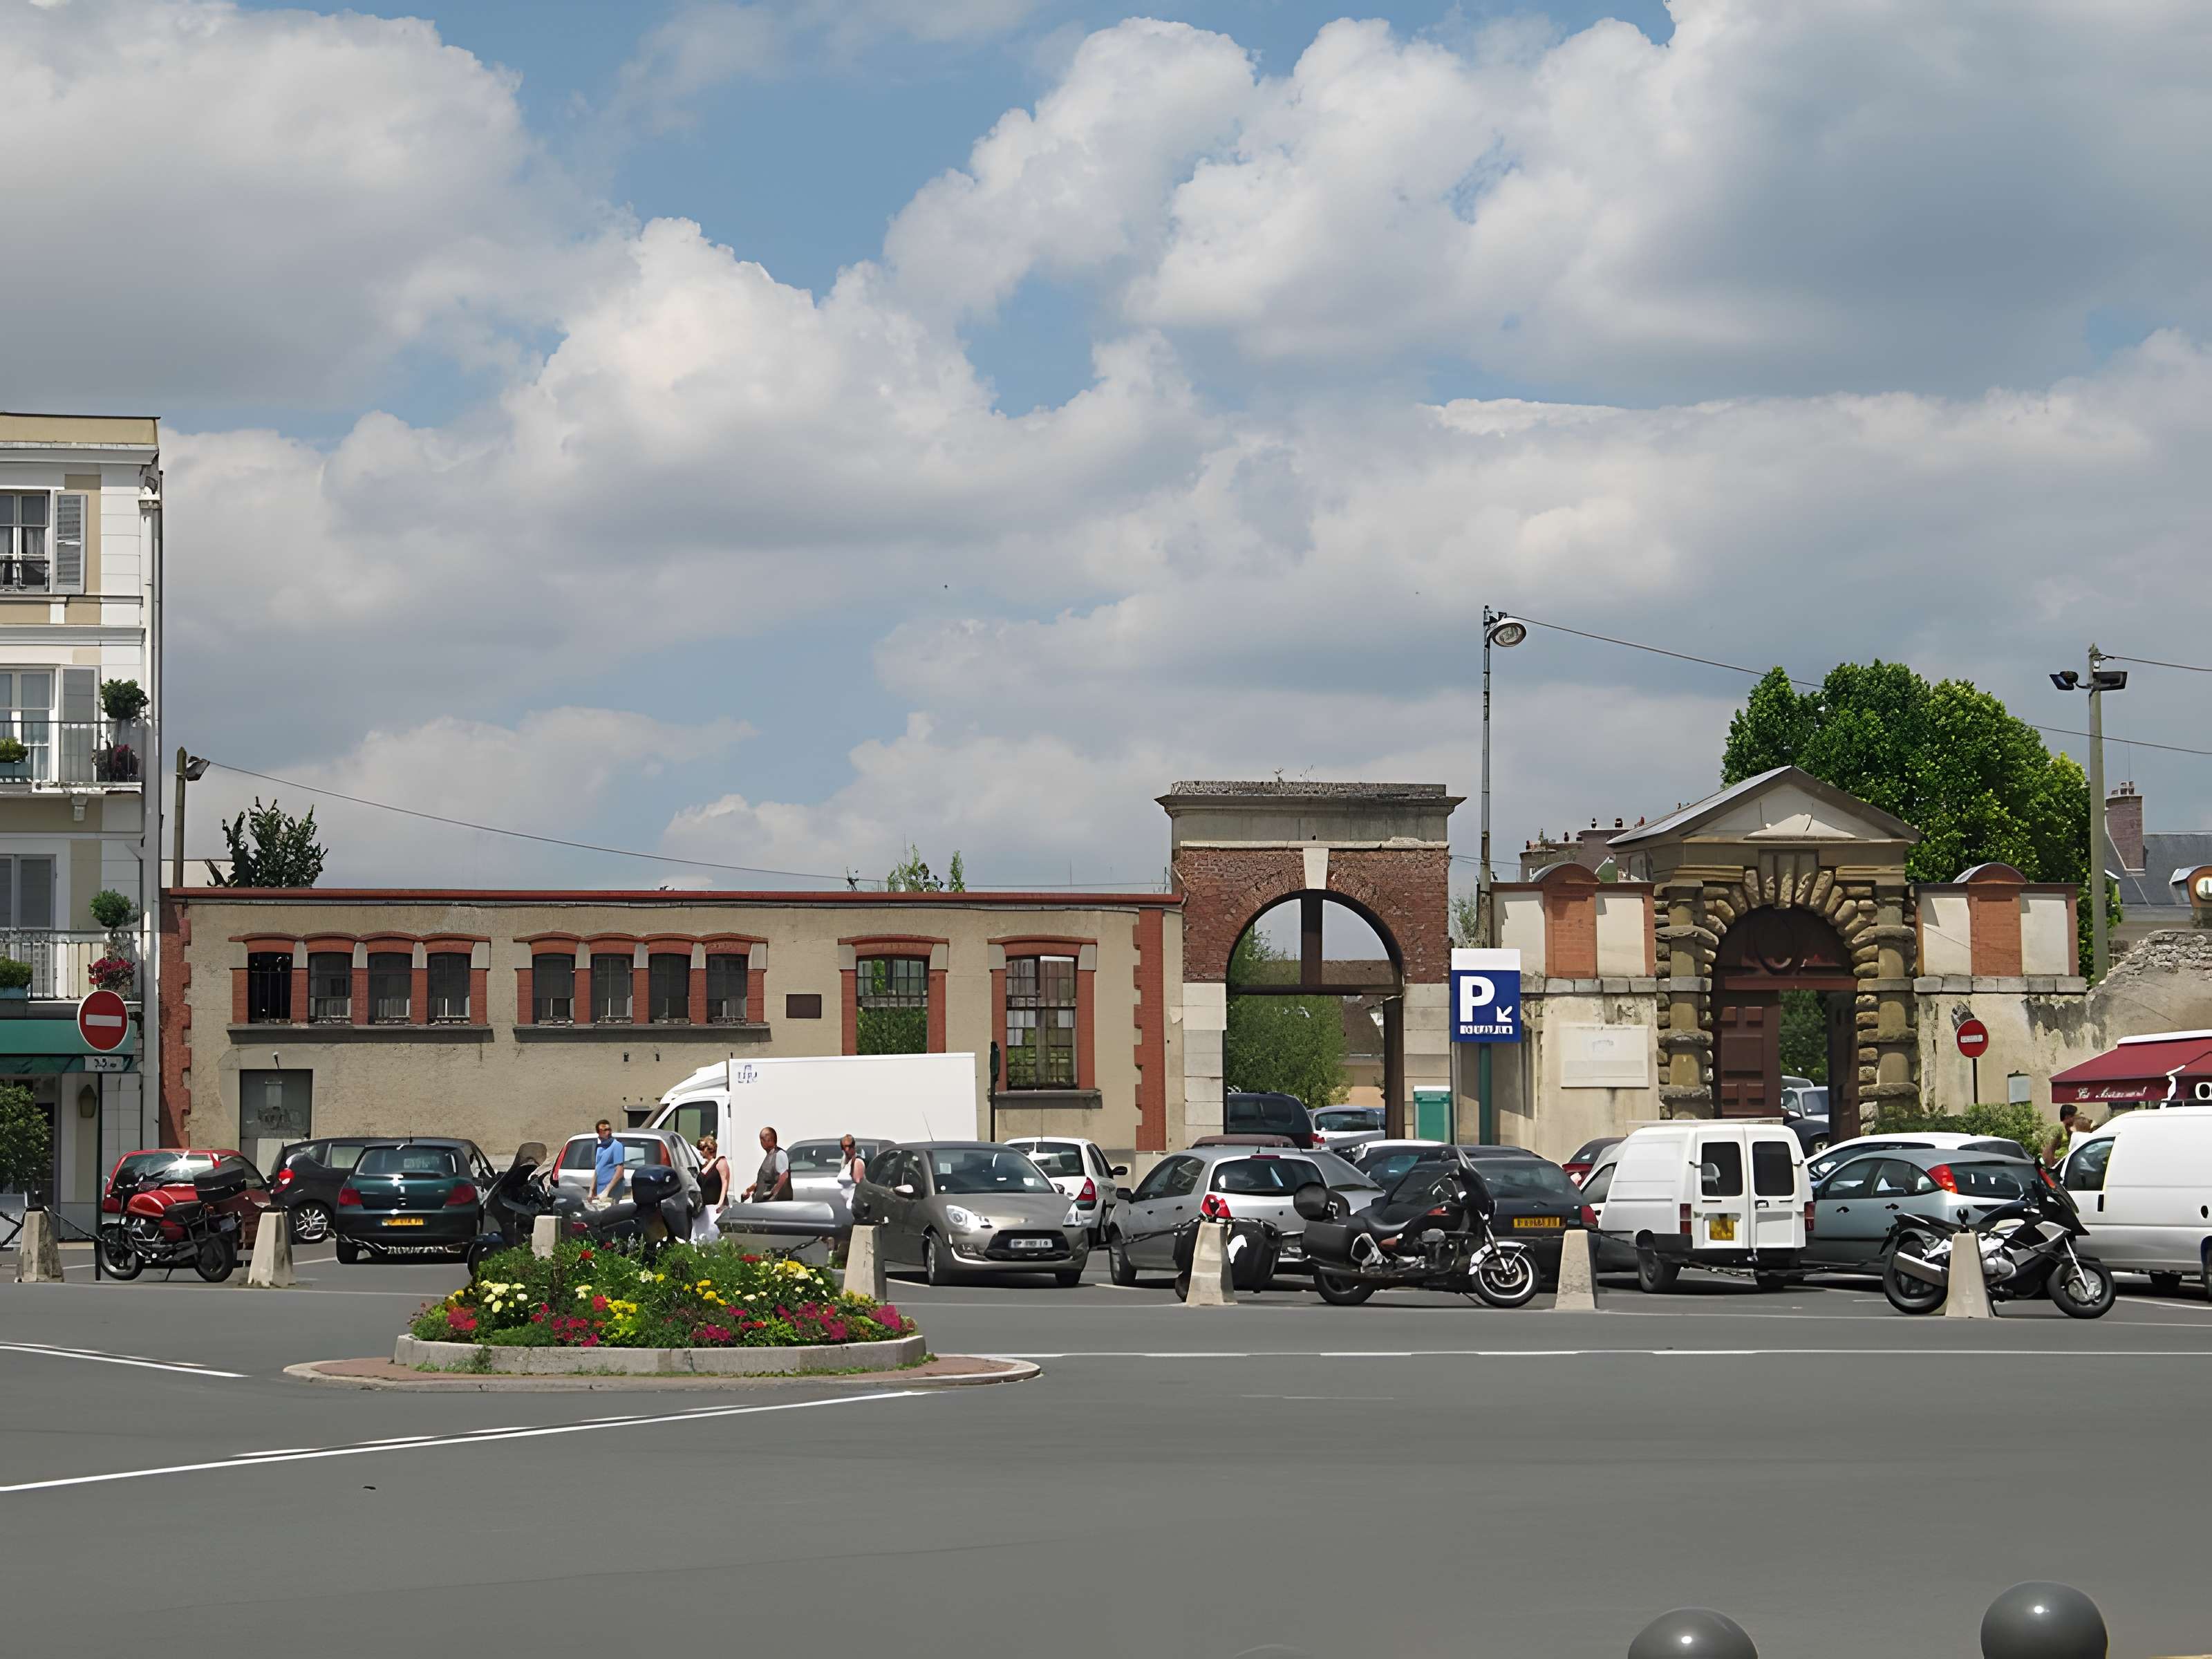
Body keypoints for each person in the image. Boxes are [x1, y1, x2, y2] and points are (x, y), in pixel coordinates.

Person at [693, 1133, 733, 1244]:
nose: (700, 1151)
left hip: (715, 1207)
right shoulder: (705, 1164)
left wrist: (720, 1203)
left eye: (701, 1148)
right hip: (705, 1209)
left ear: (708, 1149)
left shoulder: (721, 1162)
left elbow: (725, 1182)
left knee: (714, 1237)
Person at [742, 1126, 791, 1203]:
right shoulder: (770, 1156)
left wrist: (773, 1193)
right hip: (763, 1204)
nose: (761, 1142)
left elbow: (784, 1175)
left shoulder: (780, 1154)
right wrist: (749, 1190)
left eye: (762, 1139)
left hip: (772, 1205)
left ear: (769, 1140)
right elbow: (764, 1180)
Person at [589, 1118, 626, 1206]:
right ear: (599, 1133)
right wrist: (591, 1191)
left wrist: (607, 1191)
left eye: (609, 1129)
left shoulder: (617, 1146)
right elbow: (597, 1170)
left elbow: (620, 1172)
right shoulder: (600, 1148)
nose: (608, 1132)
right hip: (601, 1192)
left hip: (612, 1193)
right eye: (605, 1130)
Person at [2043, 1104, 2084, 1171]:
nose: (2077, 1119)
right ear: (2067, 1117)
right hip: (2057, 1168)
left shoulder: (2069, 1129)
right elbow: (2049, 1149)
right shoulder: (2058, 1129)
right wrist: (2051, 1169)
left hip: (2066, 1166)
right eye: (2075, 1116)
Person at [836, 1135, 867, 1204]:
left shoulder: (857, 1162)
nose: (846, 1150)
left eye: (849, 1147)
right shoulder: (846, 1163)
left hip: (853, 1202)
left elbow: (859, 1184)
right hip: (844, 1201)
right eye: (844, 1147)